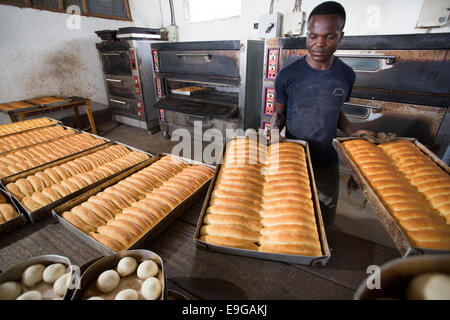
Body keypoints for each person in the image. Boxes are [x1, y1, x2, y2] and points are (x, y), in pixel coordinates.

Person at [269, 1, 371, 227]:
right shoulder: (288, 75)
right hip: (294, 157)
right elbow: (279, 115)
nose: (319, 44)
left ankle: (323, 248)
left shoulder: (346, 74)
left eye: (329, 37)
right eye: (313, 36)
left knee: (325, 211)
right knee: (289, 209)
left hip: (327, 159)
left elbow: (334, 111)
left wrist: (353, 131)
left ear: (341, 36)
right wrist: (270, 140)